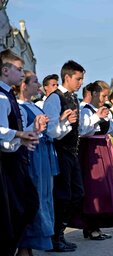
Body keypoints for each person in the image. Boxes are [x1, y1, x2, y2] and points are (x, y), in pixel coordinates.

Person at [77, 81, 113, 240]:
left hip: (105, 148)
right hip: (91, 151)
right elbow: (82, 130)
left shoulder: (105, 111)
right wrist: (97, 117)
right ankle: (91, 227)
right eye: (103, 95)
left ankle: (96, 226)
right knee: (94, 188)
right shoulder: (85, 111)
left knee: (105, 188)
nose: (105, 99)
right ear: (94, 94)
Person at [0, 49, 40, 256]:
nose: (22, 74)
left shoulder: (8, 95)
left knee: (28, 204)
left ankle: (19, 248)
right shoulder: (1, 97)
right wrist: (19, 135)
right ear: (5, 70)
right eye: (19, 69)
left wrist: (23, 140)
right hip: (6, 166)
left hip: (14, 160)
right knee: (14, 211)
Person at [43, 60, 85, 252]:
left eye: (82, 78)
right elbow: (51, 131)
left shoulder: (74, 98)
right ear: (67, 77)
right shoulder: (54, 98)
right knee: (62, 196)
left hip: (72, 152)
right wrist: (66, 122)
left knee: (77, 194)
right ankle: (55, 238)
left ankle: (59, 233)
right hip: (60, 152)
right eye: (78, 78)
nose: (81, 82)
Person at [17, 71, 59, 255]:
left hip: (43, 155)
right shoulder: (18, 107)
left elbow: (48, 132)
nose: (39, 86)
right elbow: (18, 133)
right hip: (31, 157)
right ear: (24, 85)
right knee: (33, 199)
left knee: (44, 198)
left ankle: (35, 243)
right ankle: (25, 245)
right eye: (35, 82)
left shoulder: (34, 106)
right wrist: (35, 128)